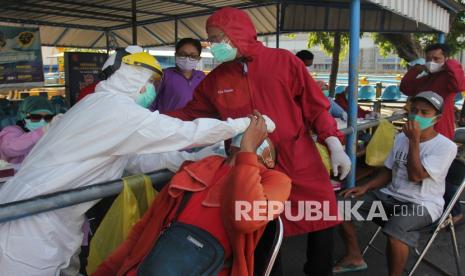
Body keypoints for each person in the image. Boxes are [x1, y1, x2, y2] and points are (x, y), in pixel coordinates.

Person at [0, 46, 275, 276]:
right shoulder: (113, 109)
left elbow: (138, 160)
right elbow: (183, 132)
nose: (152, 91)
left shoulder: (100, 107)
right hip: (30, 223)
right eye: (151, 84)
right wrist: (242, 126)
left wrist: (204, 157)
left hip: (53, 219)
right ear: (133, 78)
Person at [166, 7, 351, 275]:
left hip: (299, 159)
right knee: (259, 231)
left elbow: (315, 107)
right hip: (251, 166)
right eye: (212, 39)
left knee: (321, 218)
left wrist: (333, 143)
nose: (215, 45)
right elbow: (190, 114)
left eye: (219, 38)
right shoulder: (216, 79)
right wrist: (147, 120)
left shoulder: (283, 62)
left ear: (237, 34)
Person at [94, 113, 291, 276]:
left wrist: (248, 152)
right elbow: (145, 229)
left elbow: (245, 219)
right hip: (152, 265)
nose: (251, 134)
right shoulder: (199, 167)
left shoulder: (276, 180)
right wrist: (107, 271)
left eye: (261, 138)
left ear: (269, 158)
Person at [335, 92, 457, 276]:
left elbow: (415, 176)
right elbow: (388, 171)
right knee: (339, 204)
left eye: (425, 112)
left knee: (396, 229)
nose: (417, 116)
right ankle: (354, 256)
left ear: (437, 118)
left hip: (423, 204)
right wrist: (366, 187)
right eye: (414, 110)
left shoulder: (446, 147)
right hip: (391, 196)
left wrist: (414, 140)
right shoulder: (401, 138)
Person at [400, 43, 465, 140]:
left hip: (440, 129)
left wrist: (450, 63)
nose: (431, 62)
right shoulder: (425, 79)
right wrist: (416, 69)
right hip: (418, 128)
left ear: (446, 59)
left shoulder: (448, 78)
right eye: (428, 59)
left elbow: (459, 85)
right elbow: (405, 88)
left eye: (436, 59)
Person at [149, 38, 206, 113]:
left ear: (199, 58)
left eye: (193, 56)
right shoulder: (163, 75)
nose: (187, 59)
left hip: (194, 123)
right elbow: (149, 101)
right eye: (183, 54)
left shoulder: (201, 76)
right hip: (168, 122)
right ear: (176, 55)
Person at [0, 96, 54, 165]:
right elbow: (9, 149)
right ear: (23, 116)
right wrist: (42, 131)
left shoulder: (49, 133)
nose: (42, 121)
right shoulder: (12, 131)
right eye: (36, 117)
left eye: (48, 117)